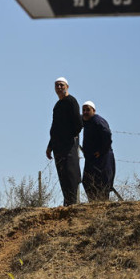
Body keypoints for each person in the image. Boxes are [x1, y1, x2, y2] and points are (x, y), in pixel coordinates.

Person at [46, 77, 83, 206]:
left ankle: (73, 203)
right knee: (62, 174)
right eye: (57, 85)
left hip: (68, 145)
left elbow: (78, 123)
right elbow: (55, 126)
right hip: (58, 145)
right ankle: (67, 202)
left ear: (67, 86)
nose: (59, 87)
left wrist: (72, 136)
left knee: (70, 172)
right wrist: (50, 145)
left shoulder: (71, 101)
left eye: (61, 85)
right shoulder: (57, 105)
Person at [81, 101, 116, 202]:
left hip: (102, 158)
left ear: (94, 111)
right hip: (91, 158)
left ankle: (102, 206)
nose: (85, 112)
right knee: (87, 181)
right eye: (83, 110)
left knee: (102, 183)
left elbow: (107, 135)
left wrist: (101, 150)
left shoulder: (97, 121)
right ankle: (93, 204)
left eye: (88, 109)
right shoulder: (87, 121)